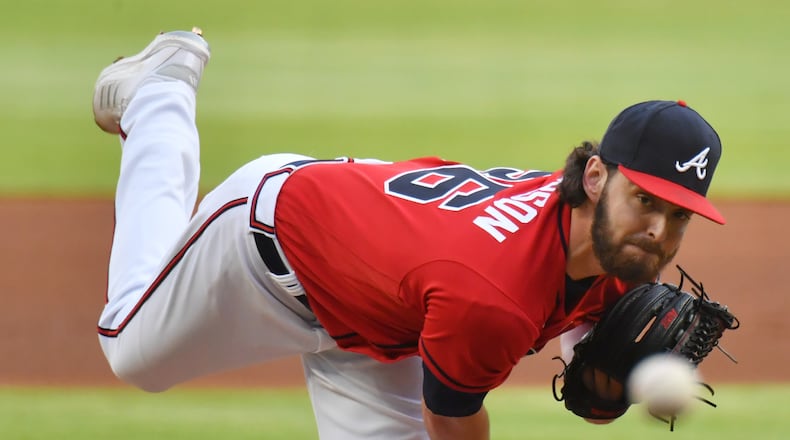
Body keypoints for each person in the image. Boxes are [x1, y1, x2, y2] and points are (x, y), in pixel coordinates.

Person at [91, 28, 725, 440]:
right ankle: (161, 95)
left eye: (678, 214)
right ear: (595, 177)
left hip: (385, 316)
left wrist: (626, 372)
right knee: (132, 352)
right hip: (276, 238)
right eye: (644, 199)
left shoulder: (607, 242)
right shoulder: (491, 298)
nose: (658, 231)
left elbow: (586, 314)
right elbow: (453, 421)